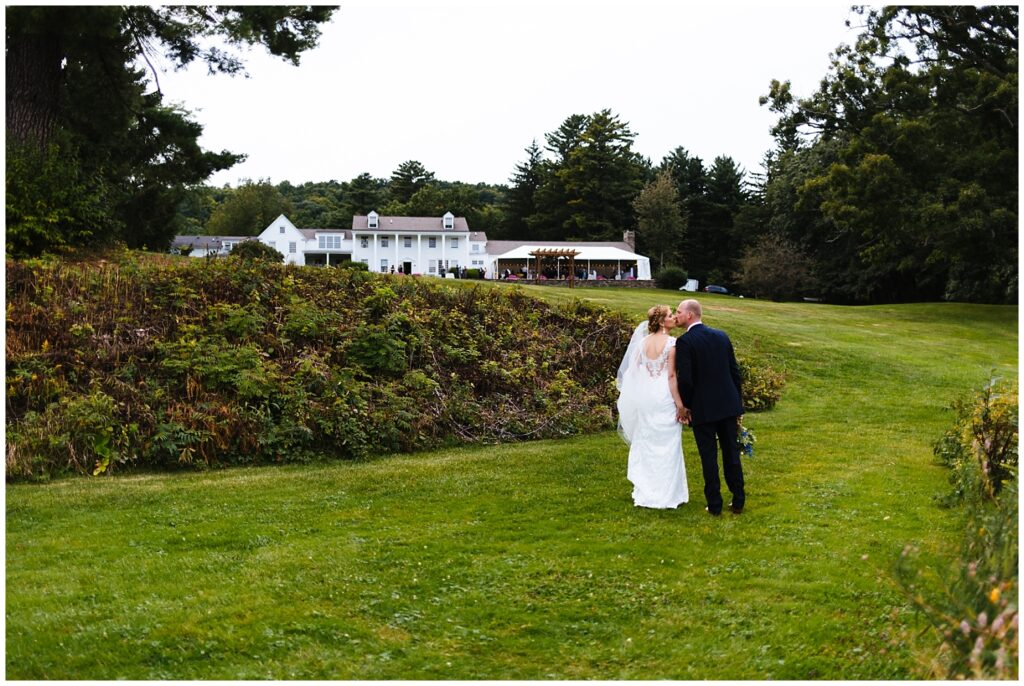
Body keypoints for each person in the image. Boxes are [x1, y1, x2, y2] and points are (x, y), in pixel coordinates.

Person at [674, 299, 745, 515]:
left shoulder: (685, 342)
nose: (676, 315)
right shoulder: (721, 336)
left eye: (678, 311)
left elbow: (685, 379)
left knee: (709, 456)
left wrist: (685, 406)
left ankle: (715, 504)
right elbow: (734, 372)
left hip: (703, 408)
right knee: (731, 453)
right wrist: (738, 404)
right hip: (728, 404)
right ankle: (738, 500)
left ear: (689, 315)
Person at [616, 305, 689, 509]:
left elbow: (633, 371)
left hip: (646, 396)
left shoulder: (642, 343)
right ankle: (667, 493)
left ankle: (646, 488)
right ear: (660, 321)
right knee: (668, 442)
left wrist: (640, 390)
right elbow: (671, 376)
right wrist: (680, 405)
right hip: (664, 395)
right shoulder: (672, 343)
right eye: (669, 315)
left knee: (647, 439)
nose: (673, 317)